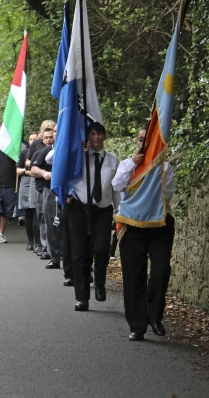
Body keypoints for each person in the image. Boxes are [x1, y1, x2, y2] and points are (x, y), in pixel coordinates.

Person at [112, 128, 175, 341]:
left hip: (158, 226)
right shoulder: (127, 166)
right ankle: (137, 325)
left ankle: (155, 316)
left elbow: (163, 197)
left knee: (160, 271)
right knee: (133, 276)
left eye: (148, 141)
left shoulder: (165, 168)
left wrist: (151, 169)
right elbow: (117, 185)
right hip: (132, 226)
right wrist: (134, 164)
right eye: (141, 140)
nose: (144, 144)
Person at [67, 122, 120, 312]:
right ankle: (82, 297)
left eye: (99, 134)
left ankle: (99, 281)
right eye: (92, 134)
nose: (96, 137)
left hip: (102, 210)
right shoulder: (78, 158)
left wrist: (119, 212)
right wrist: (78, 152)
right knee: (80, 253)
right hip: (80, 208)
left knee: (102, 248)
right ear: (87, 137)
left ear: (104, 136)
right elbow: (54, 160)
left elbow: (117, 189)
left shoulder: (113, 160)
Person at [32, 126, 61, 268]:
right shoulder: (46, 151)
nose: (54, 135)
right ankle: (54, 257)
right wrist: (44, 173)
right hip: (50, 191)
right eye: (54, 132)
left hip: (70, 192)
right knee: (50, 223)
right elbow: (34, 168)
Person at [25, 122, 54, 256]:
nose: (49, 140)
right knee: (42, 217)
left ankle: (54, 248)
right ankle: (44, 246)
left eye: (51, 137)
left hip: (55, 190)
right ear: (42, 138)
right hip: (41, 188)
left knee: (54, 219)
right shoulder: (40, 151)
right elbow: (32, 169)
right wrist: (44, 174)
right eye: (46, 137)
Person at [16, 134, 36, 250]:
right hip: (26, 183)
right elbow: (18, 170)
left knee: (37, 215)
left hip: (38, 184)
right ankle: (31, 241)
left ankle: (38, 242)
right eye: (31, 139)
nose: (32, 141)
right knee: (28, 214)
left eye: (35, 139)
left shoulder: (42, 152)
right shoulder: (24, 153)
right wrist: (27, 171)